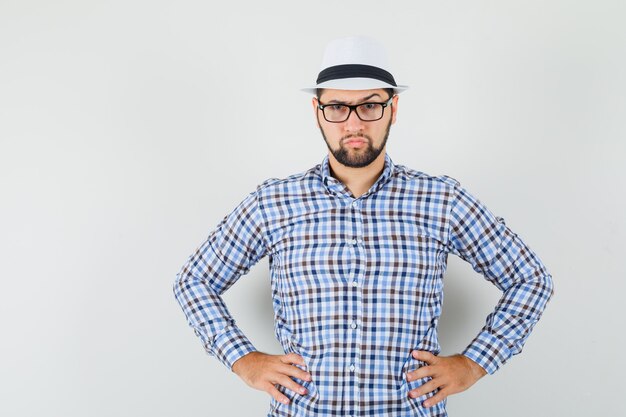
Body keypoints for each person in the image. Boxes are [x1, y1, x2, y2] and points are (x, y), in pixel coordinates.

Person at [172, 36, 554, 417]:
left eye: (370, 105)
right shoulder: (273, 203)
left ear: (393, 108)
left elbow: (531, 280)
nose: (353, 123)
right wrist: (243, 359)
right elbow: (194, 281)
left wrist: (473, 364)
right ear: (317, 111)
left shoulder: (442, 200)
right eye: (337, 106)